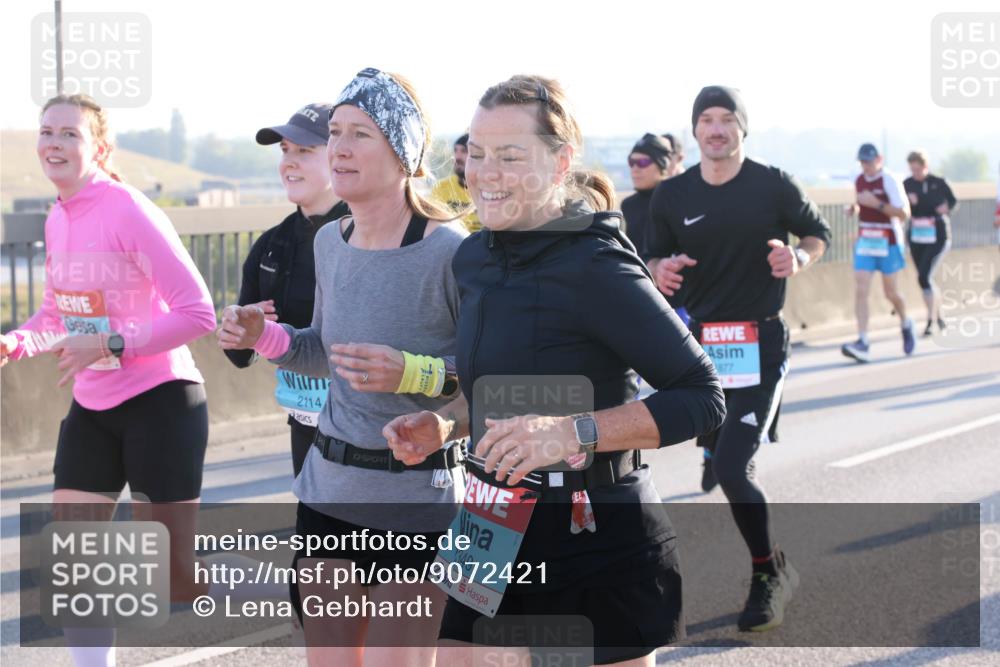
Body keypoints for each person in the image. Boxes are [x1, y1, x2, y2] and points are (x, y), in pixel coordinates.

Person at [385, 75, 727, 667]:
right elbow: (498, 386)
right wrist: (445, 425)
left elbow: (703, 397)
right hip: (488, 523)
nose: (485, 172)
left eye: (511, 156)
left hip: (590, 530)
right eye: (479, 153)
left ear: (560, 160)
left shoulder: (595, 265)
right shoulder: (474, 258)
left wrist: (572, 432)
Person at [217, 68, 466, 667]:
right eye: (335, 133)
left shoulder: (451, 251)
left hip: (418, 504)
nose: (341, 148)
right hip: (328, 491)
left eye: (361, 134)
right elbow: (323, 351)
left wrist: (411, 374)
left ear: (404, 151)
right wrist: (266, 334)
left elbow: (484, 377)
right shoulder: (331, 241)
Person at [0, 94, 217, 667]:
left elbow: (198, 313)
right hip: (93, 407)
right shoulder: (56, 215)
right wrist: (14, 342)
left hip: (162, 402)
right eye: (46, 131)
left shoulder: (128, 210)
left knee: (171, 580)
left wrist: (112, 342)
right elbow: (57, 313)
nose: (53, 143)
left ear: (99, 147)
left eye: (69, 133)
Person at [648, 85, 831, 632]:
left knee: (732, 465)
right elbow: (651, 257)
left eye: (728, 118)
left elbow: (818, 234)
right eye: (707, 119)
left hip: (761, 342)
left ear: (742, 128)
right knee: (711, 455)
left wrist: (798, 254)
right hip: (700, 345)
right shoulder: (672, 195)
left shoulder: (772, 184)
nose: (717, 128)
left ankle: (768, 573)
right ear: (695, 130)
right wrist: (660, 267)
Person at [223, 103, 349, 477]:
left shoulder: (370, 237)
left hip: (368, 430)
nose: (289, 162)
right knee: (313, 534)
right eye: (285, 151)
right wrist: (237, 332)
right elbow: (242, 357)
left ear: (339, 157)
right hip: (303, 426)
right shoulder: (272, 245)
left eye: (305, 151)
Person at [841, 143, 914, 362]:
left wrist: (877, 204)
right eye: (862, 162)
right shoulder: (859, 180)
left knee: (890, 292)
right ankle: (862, 340)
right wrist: (854, 209)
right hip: (866, 240)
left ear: (879, 160)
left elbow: (904, 214)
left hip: (888, 240)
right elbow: (862, 204)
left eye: (869, 162)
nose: (866, 166)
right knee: (861, 287)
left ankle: (905, 322)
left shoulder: (890, 180)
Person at [903, 150, 957, 337]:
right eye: (912, 170)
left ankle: (929, 321)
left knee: (924, 276)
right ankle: (939, 316)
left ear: (925, 167)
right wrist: (909, 203)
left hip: (938, 236)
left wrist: (946, 208)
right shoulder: (907, 185)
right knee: (925, 278)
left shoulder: (939, 183)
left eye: (918, 170)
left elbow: (953, 201)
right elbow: (901, 208)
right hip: (917, 237)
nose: (915, 174)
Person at [431, 133, 480, 233]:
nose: (457, 157)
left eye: (464, 151)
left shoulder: (492, 190)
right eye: (455, 151)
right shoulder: (441, 187)